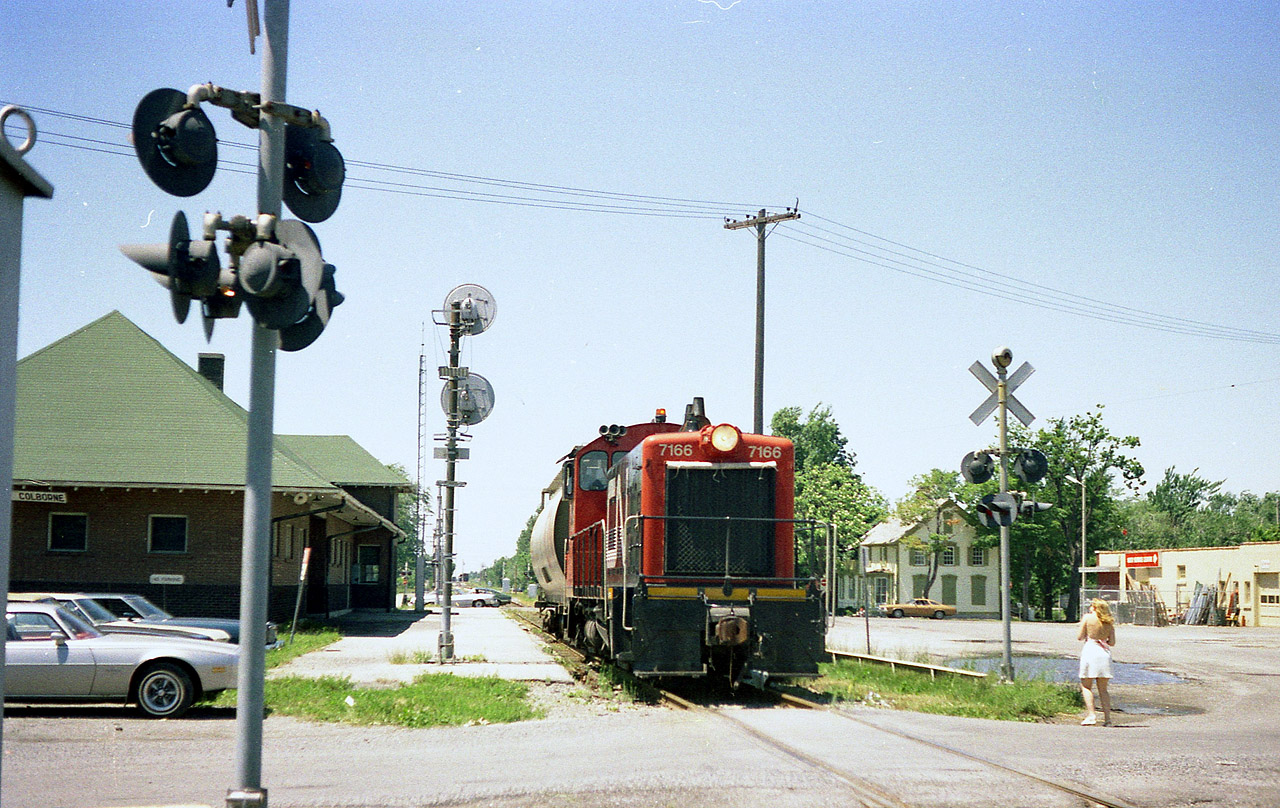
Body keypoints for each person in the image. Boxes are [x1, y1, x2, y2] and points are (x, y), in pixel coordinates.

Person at [1077, 598, 1116, 726]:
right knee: (1103, 689)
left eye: (1091, 605)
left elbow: (1080, 636)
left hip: (1091, 650)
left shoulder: (1087, 618)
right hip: (1104, 653)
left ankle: (1091, 715)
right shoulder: (1109, 622)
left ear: (1095, 607)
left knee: (1086, 685)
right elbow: (1112, 642)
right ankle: (1108, 719)